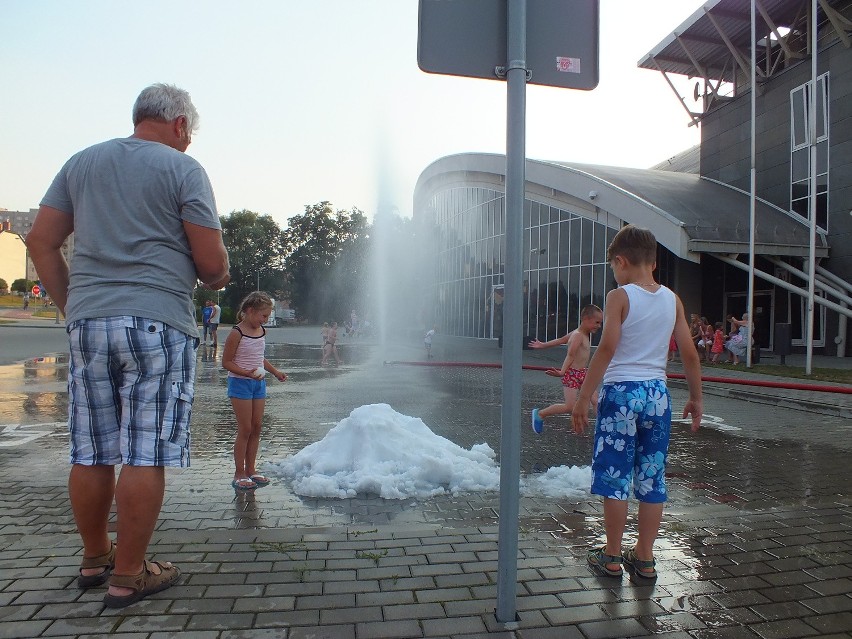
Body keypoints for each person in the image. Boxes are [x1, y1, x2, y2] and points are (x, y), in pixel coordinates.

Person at [25, 83, 230, 608]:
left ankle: (95, 558)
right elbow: (211, 267)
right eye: (189, 135)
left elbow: (41, 240)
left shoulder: (83, 162)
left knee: (90, 448)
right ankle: (129, 574)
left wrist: (74, 306)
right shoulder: (183, 170)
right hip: (158, 322)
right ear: (181, 126)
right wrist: (219, 274)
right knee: (146, 451)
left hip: (90, 322)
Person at [571, 225, 702, 580]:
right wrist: (695, 396)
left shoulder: (620, 296)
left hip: (621, 395)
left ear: (621, 261)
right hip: (657, 397)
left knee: (615, 473)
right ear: (655, 263)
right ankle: (644, 557)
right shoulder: (672, 298)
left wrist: (584, 396)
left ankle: (612, 555)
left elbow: (609, 347)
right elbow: (688, 352)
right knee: (652, 477)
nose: (615, 273)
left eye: (614, 267)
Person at [221, 292, 287, 490]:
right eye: (263, 316)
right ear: (249, 311)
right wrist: (246, 373)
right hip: (240, 384)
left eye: (267, 316)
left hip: (258, 383)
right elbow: (226, 362)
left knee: (257, 427)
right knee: (246, 428)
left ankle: (251, 470)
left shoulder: (261, 331)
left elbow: (260, 358)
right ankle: (239, 473)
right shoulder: (237, 333)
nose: (265, 320)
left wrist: (275, 372)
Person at [529, 305, 603, 433]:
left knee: (596, 400)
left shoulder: (581, 333)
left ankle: (601, 427)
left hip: (583, 373)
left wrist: (543, 345)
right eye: (597, 322)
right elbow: (571, 354)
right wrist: (562, 372)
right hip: (572, 374)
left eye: (600, 323)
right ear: (586, 319)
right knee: (569, 407)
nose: (599, 326)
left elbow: (561, 340)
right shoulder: (578, 335)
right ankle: (540, 414)